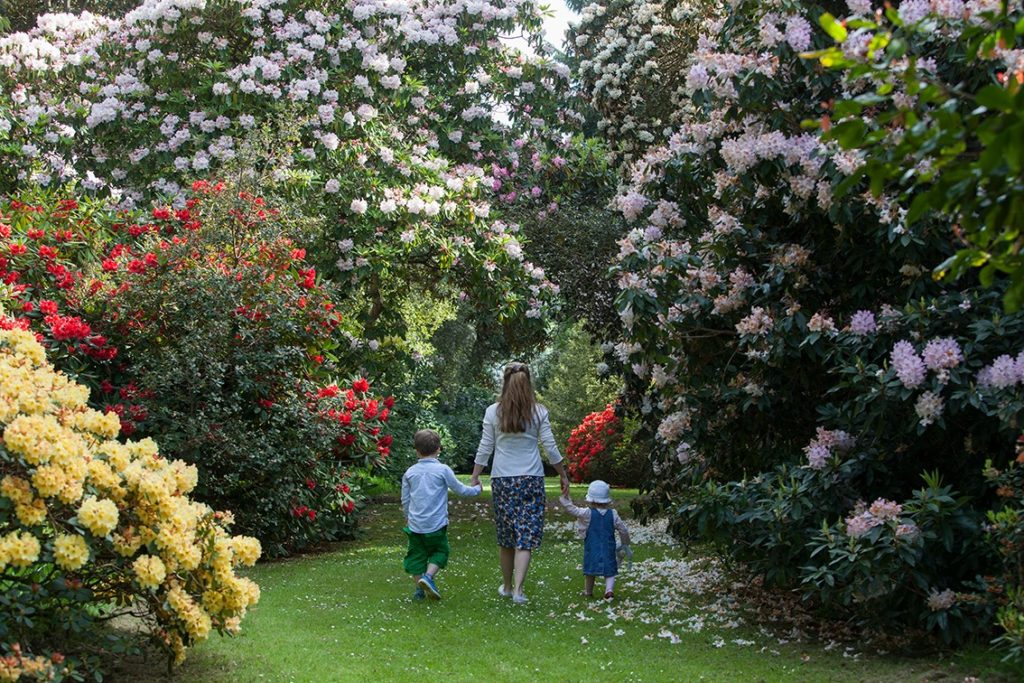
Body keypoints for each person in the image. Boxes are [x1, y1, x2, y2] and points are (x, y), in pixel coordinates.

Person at [470, 362, 571, 604]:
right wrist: (563, 473)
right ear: (529, 384)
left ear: (505, 383)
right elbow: (550, 447)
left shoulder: (493, 411)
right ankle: (518, 591)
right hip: (531, 479)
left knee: (506, 537)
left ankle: (506, 586)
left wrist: (475, 475)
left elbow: (486, 447)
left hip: (502, 479)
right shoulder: (539, 412)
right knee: (525, 536)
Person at [401, 429, 482, 601]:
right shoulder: (443, 470)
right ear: (439, 449)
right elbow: (460, 489)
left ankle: (419, 589)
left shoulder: (410, 472)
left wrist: (407, 516)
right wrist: (476, 490)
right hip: (436, 524)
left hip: (415, 525)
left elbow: (405, 499)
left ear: (416, 450)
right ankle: (428, 577)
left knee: (416, 556)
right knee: (440, 551)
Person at [559, 480, 631, 600]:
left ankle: (588, 591)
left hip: (592, 548)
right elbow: (623, 530)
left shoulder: (588, 513)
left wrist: (565, 500)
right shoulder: (613, 514)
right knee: (610, 570)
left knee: (590, 570)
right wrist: (625, 543)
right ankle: (609, 590)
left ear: (590, 499)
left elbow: (573, 510)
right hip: (609, 548)